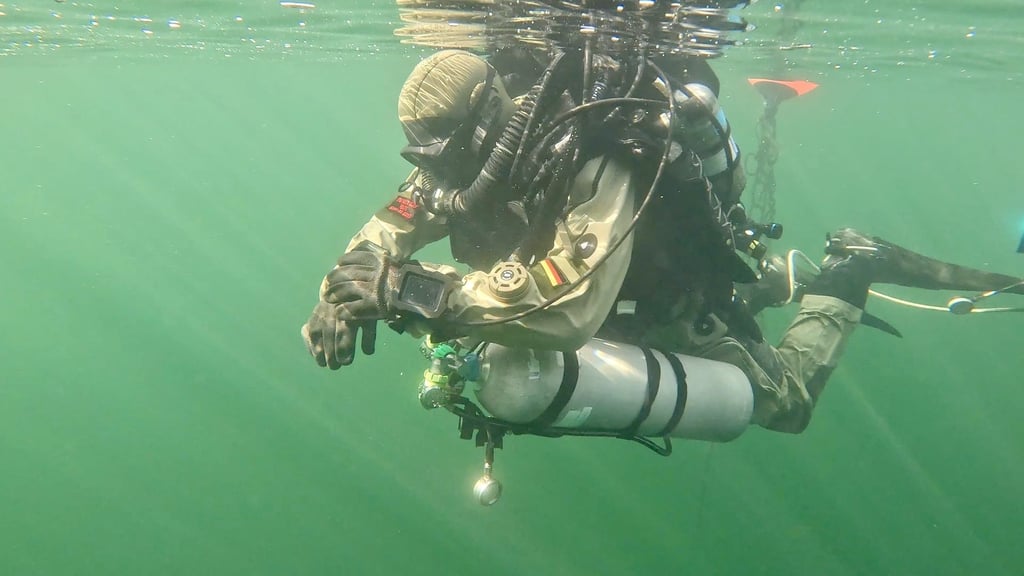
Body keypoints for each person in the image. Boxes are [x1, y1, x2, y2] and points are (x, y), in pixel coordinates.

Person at [300, 48, 1022, 435]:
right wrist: (343, 284)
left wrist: (409, 290)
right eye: (428, 162)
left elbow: (569, 311)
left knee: (786, 406)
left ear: (491, 127)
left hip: (672, 302)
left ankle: (849, 269)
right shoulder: (461, 166)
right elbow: (392, 222)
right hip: (622, 290)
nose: (439, 179)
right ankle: (776, 275)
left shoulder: (596, 157)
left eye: (449, 156)